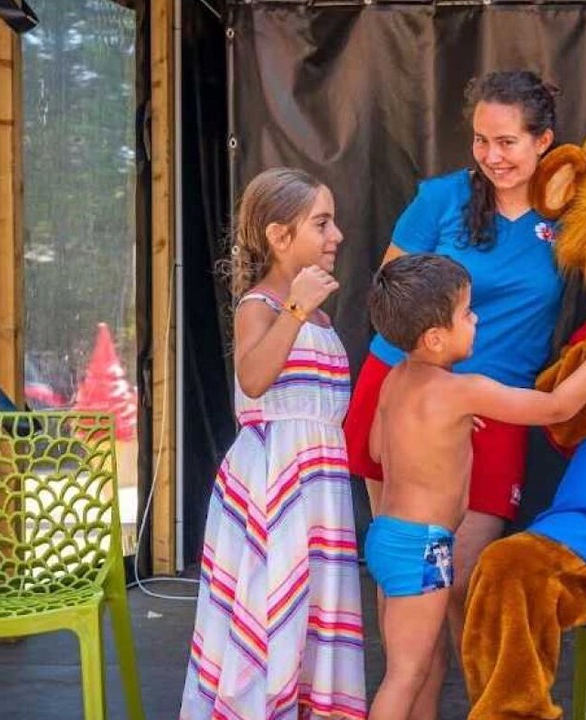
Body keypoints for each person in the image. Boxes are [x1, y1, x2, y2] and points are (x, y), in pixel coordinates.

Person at [341, 69, 564, 715]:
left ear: (543, 140)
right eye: (480, 140)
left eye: (508, 142)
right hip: (404, 392)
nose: (492, 156)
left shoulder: (569, 217)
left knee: (466, 579)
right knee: (411, 595)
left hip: (498, 405)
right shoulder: (440, 199)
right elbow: (390, 295)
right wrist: (426, 386)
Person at [362, 253, 586, 719]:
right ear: (435, 337)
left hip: (390, 537)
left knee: (421, 666)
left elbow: (377, 450)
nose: (476, 319)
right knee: (406, 674)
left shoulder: (396, 380)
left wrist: (441, 431)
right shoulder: (463, 390)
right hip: (424, 549)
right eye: (467, 313)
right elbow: (557, 407)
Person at [181, 168, 366, 719]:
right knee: (269, 618)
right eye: (322, 224)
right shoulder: (260, 306)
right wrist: (294, 310)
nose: (336, 236)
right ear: (279, 237)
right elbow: (254, 381)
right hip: (274, 488)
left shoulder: (320, 317)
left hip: (318, 490)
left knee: (310, 621)